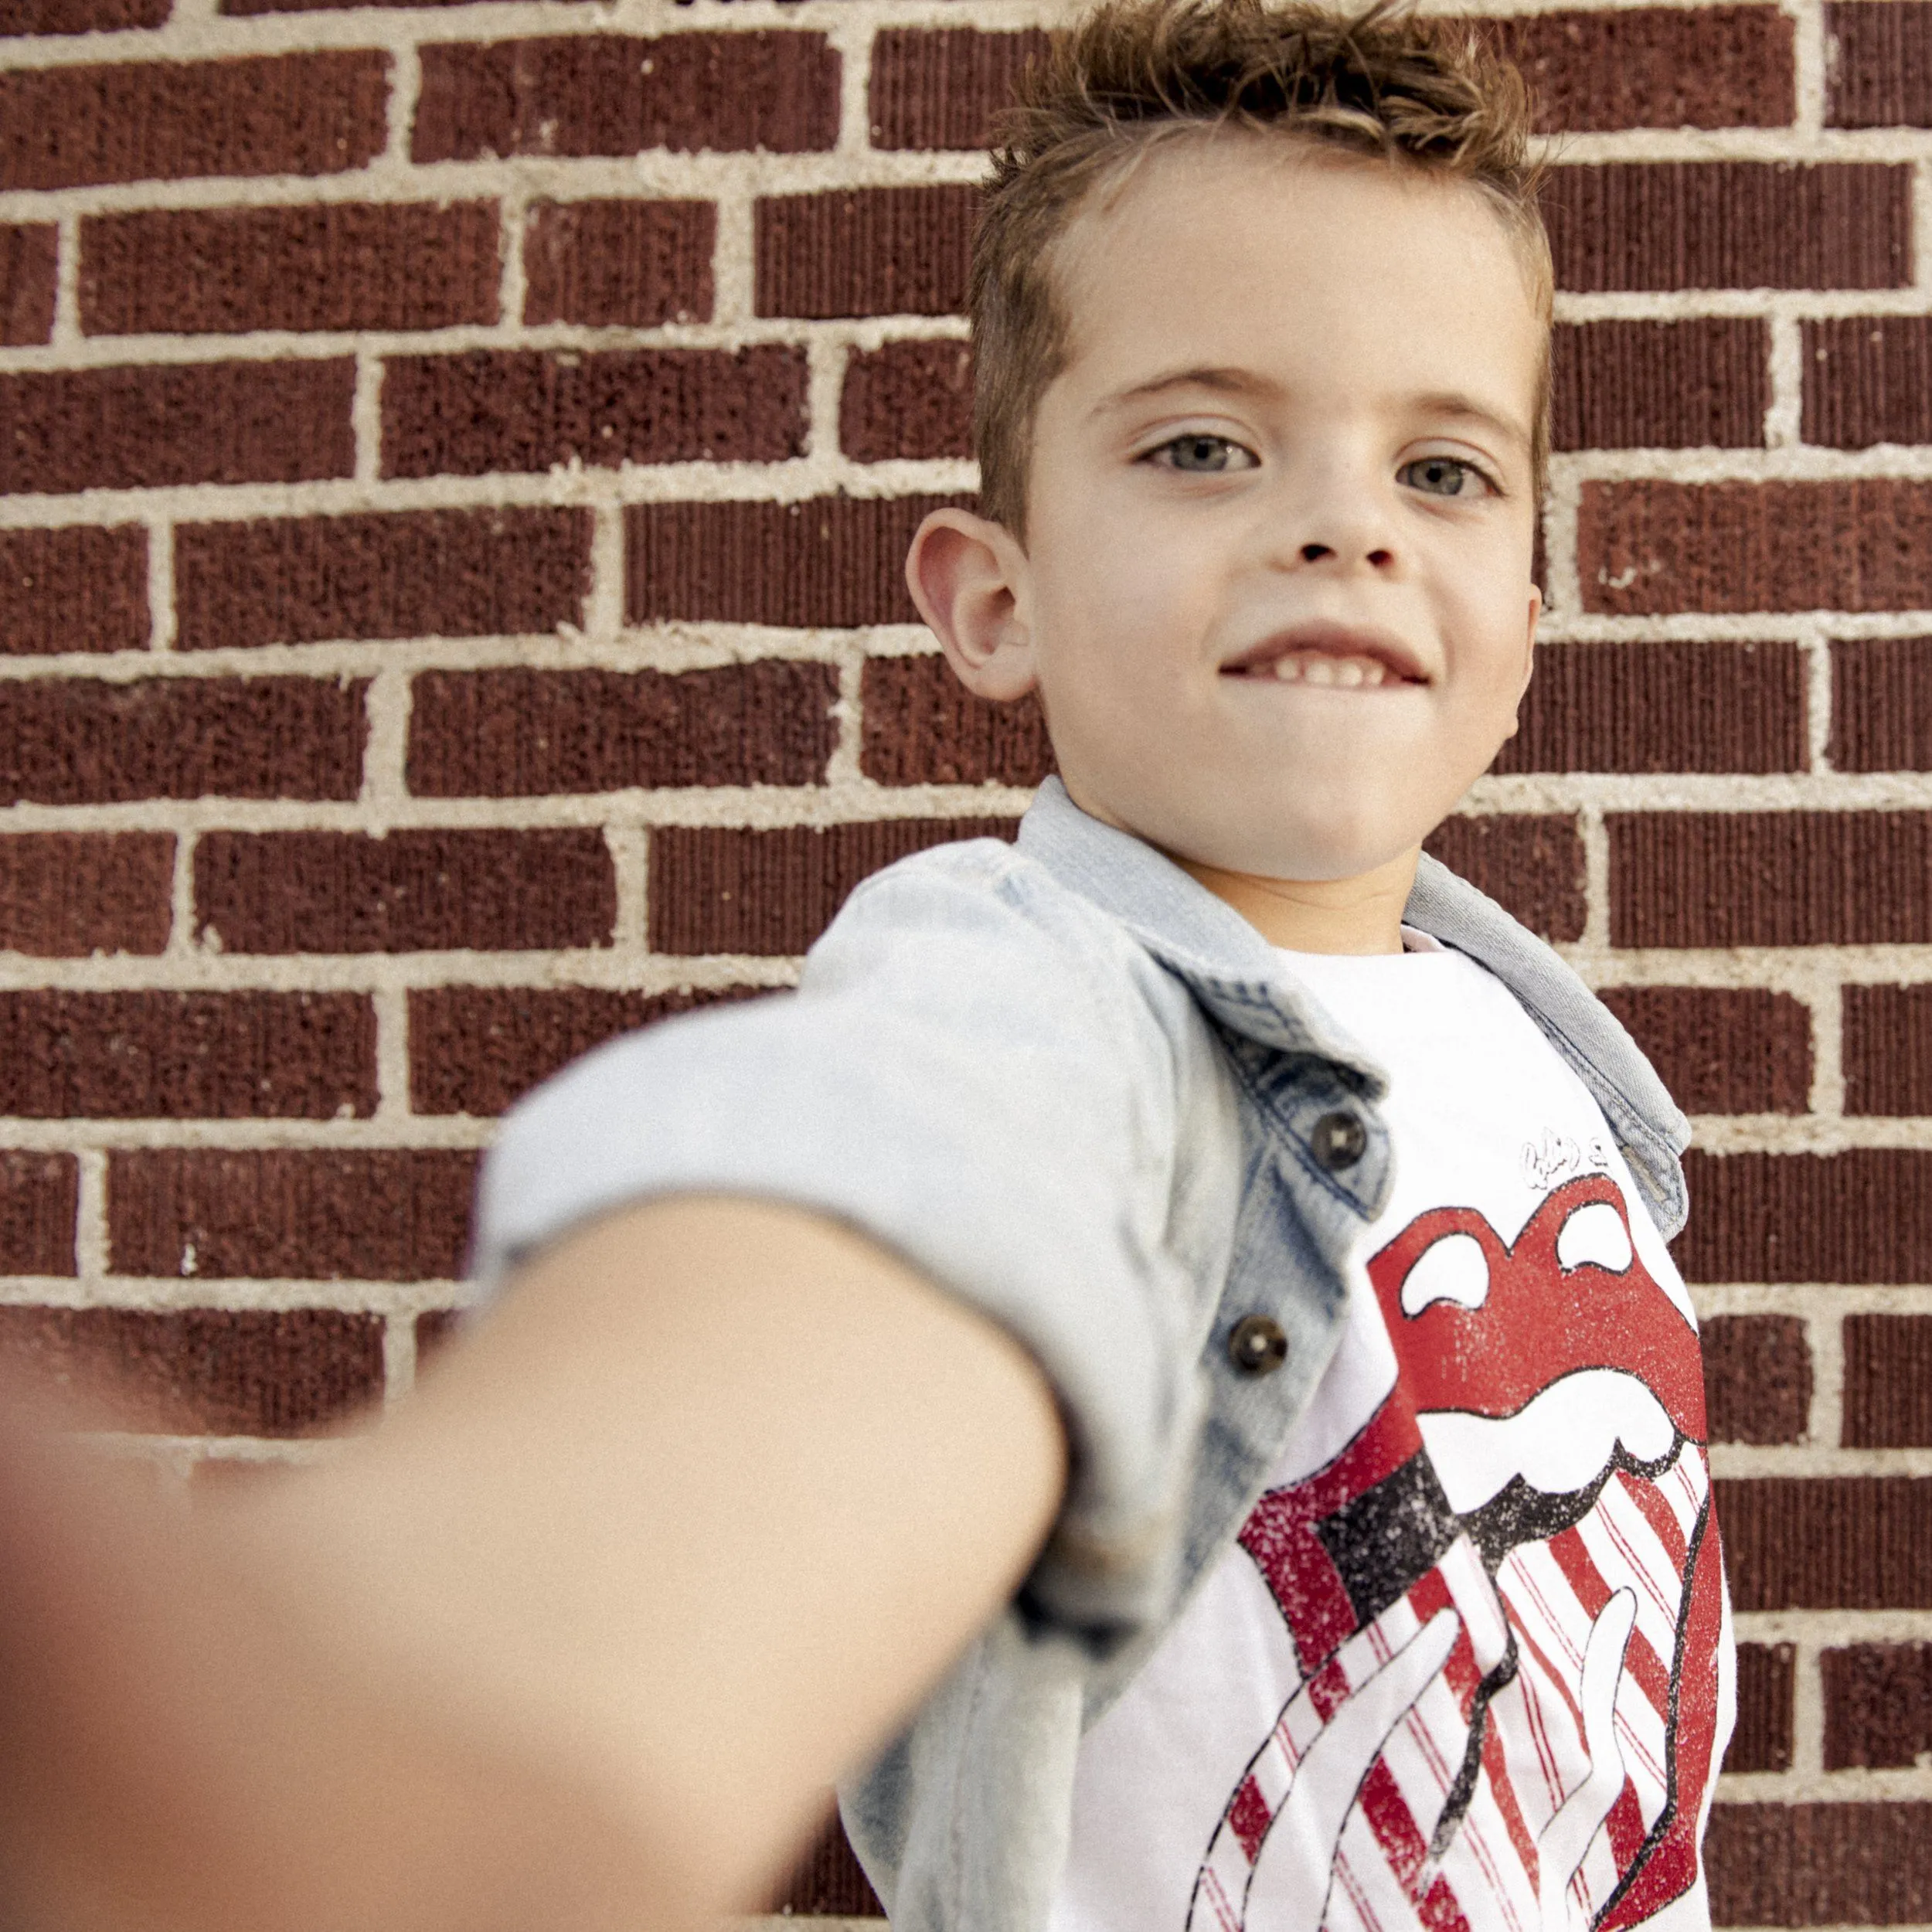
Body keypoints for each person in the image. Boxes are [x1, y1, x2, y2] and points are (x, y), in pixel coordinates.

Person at [0, 5, 1731, 1929]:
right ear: (995, 601)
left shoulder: (1539, 1053)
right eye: (1199, 442)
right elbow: (879, 1229)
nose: (1341, 522)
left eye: (1443, 471)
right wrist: (440, 1693)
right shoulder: (1045, 999)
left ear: (1522, 630)